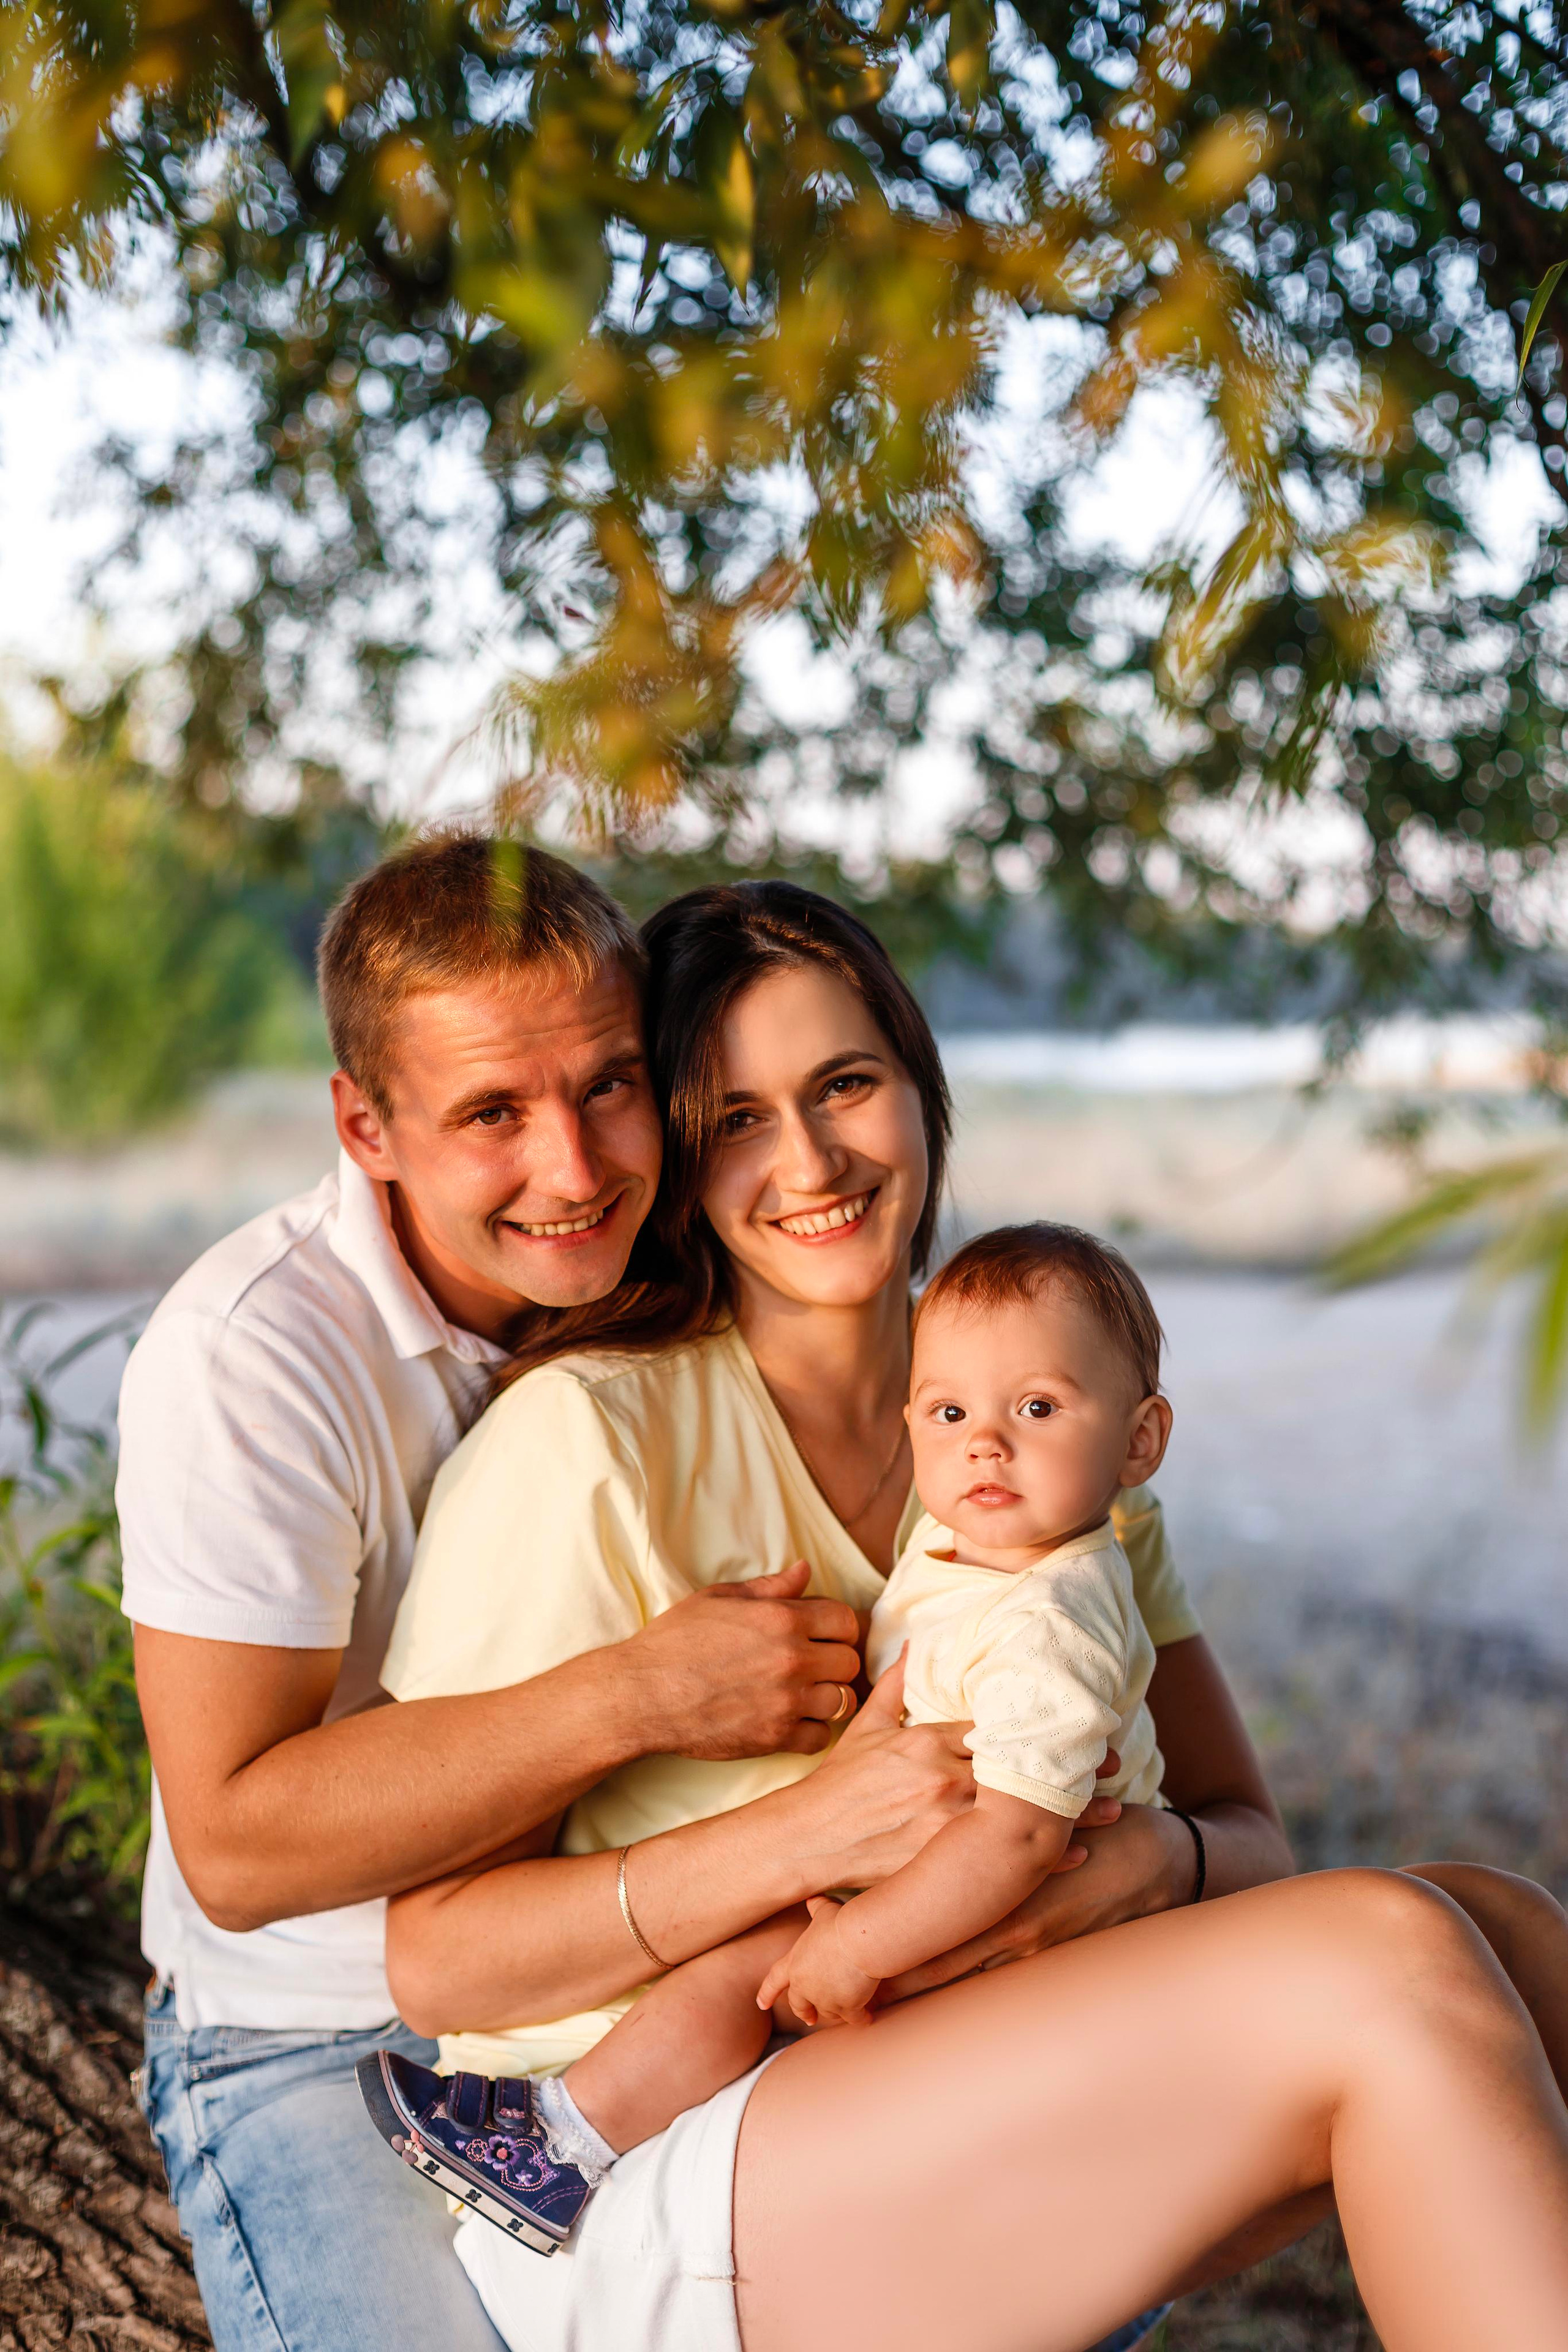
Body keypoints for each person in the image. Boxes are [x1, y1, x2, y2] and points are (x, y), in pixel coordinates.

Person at [375, 876, 1568, 2350]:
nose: (809, 1156)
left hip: (955, 2064)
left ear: (920, 1094)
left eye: (845, 1084)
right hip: (647, 2164)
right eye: (736, 1119)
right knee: (1392, 1954)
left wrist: (1140, 1864)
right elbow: (436, 1956)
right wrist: (809, 1843)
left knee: (1502, 1928)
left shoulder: (1043, 1419)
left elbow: (1242, 1838)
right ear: (682, 1165)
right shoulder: (586, 1445)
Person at [123, 837, 1006, 2352]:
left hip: (643, 1986)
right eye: (489, 1115)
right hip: (319, 2037)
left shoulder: (687, 1301)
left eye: (606, 1084)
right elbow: (235, 1846)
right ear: (364, 1126)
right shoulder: (253, 1361)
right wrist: (640, 1695)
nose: (576, 1166)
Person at [358, 1217, 1183, 2250]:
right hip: (945, 1874)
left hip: (1005, 1898)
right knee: (735, 1971)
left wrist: (859, 1946)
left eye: (1037, 1407)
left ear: (1139, 1441)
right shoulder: (978, 1535)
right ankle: (561, 2136)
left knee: (740, 1979)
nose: (985, 1441)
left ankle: (562, 2146)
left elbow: (1018, 1835)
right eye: (949, 1410)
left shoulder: (1053, 1616)